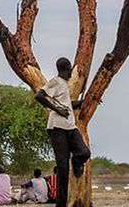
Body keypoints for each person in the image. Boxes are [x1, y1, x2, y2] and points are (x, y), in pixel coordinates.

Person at [35, 57, 91, 207]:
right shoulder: (55, 81)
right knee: (63, 169)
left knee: (84, 152)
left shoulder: (64, 85)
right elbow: (39, 96)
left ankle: (77, 161)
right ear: (67, 69)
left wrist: (86, 101)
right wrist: (57, 109)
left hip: (70, 127)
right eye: (70, 70)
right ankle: (61, 204)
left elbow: (67, 104)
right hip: (57, 128)